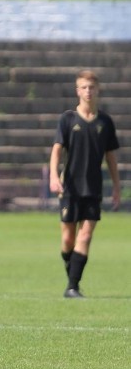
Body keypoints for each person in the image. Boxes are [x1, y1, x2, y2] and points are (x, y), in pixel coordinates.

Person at [49, 70, 121, 299]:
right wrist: (53, 176)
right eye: (84, 87)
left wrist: (117, 186)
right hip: (69, 187)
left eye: (91, 87)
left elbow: (110, 157)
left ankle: (72, 286)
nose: (88, 91)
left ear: (97, 89)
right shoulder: (68, 119)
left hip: (93, 188)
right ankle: (73, 276)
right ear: (77, 90)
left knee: (86, 236)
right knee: (68, 239)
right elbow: (57, 150)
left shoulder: (105, 122)